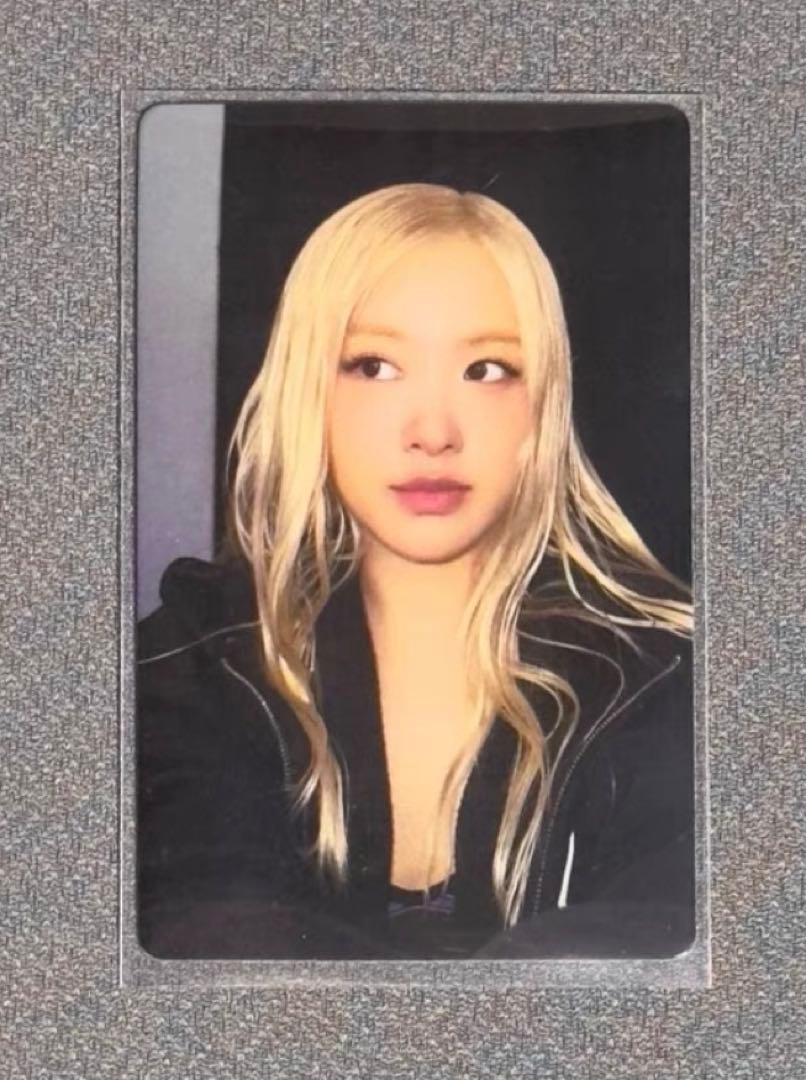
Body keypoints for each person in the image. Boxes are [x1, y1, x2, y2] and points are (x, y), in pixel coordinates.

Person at [136, 181, 695, 960]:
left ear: (544, 402)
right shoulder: (197, 660)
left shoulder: (664, 674)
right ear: (306, 389)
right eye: (373, 365)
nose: (432, 431)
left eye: (487, 369)